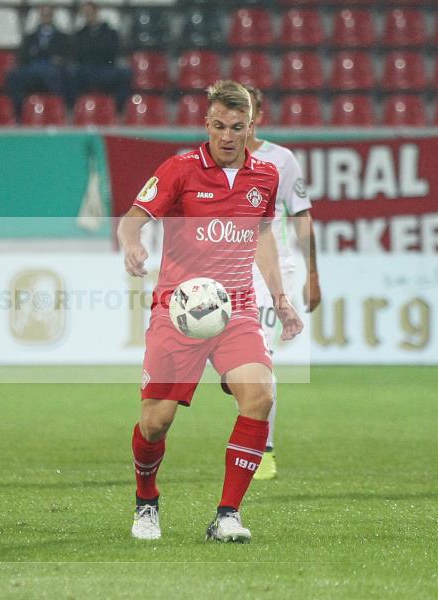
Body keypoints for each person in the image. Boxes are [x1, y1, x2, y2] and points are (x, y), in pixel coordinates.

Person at [118, 81, 303, 543]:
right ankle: (146, 501)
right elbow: (133, 218)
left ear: (251, 127)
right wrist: (132, 244)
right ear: (207, 123)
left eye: (236, 127)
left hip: (235, 309)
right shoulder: (179, 169)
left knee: (260, 395)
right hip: (178, 312)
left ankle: (227, 516)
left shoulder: (266, 176)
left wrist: (280, 298)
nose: (226, 136)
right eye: (218, 126)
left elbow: (262, 236)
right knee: (154, 423)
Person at [244, 85, 322, 481]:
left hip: (271, 271)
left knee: (260, 359)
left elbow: (301, 218)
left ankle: (263, 451)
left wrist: (312, 274)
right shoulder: (203, 162)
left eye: (248, 111)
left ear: (258, 115)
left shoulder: (280, 160)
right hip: (222, 273)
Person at [6, 4, 72, 116]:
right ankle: (19, 113)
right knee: (13, 76)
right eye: (43, 15)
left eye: (48, 15)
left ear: (52, 16)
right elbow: (23, 57)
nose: (46, 17)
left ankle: (60, 111)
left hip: (53, 70)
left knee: (57, 76)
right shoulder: (30, 37)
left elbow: (66, 57)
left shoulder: (63, 37)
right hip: (33, 69)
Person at [71, 2, 131, 112]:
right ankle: (74, 108)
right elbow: (78, 53)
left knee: (124, 73)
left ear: (96, 12)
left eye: (90, 13)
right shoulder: (80, 34)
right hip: (86, 69)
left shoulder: (110, 32)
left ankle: (119, 109)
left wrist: (93, 48)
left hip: (105, 69)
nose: (88, 16)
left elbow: (112, 51)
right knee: (71, 72)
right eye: (85, 14)